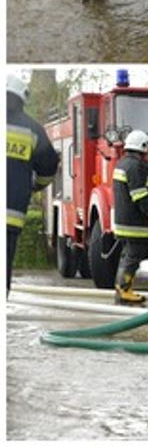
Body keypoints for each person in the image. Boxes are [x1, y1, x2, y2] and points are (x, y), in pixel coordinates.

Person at [6, 76, 60, 295]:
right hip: (10, 215)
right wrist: (35, 185)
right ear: (22, 99)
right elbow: (49, 167)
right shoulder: (32, 129)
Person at [111, 130, 148, 304]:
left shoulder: (123, 164)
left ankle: (122, 288)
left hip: (126, 220)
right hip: (135, 222)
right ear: (142, 147)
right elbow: (140, 194)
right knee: (133, 256)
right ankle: (124, 289)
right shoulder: (136, 167)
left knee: (128, 255)